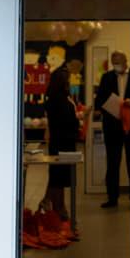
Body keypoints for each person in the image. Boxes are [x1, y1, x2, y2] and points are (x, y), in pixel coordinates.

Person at [42, 59, 82, 223]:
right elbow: (68, 122)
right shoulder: (62, 102)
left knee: (56, 177)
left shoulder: (52, 100)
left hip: (58, 142)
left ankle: (54, 205)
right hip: (64, 143)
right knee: (59, 178)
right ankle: (59, 209)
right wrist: (79, 120)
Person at [93, 51, 130, 207]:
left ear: (126, 61)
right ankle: (112, 198)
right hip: (112, 125)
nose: (116, 65)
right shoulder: (107, 77)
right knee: (112, 162)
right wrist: (105, 106)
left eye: (118, 62)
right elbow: (99, 99)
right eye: (113, 62)